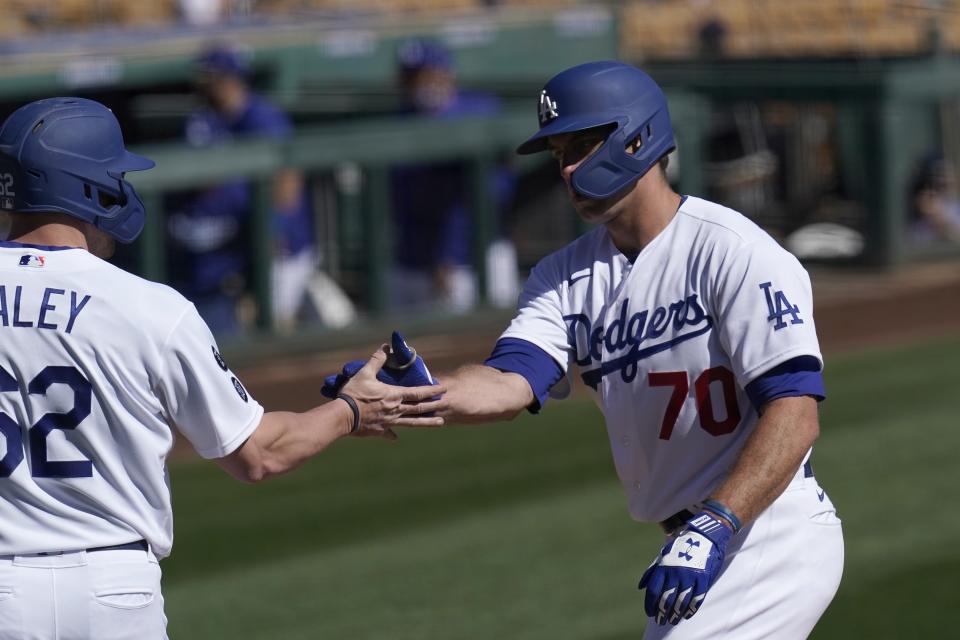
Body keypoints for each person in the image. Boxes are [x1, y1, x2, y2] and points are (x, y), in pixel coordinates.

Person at [332, 61, 844, 638]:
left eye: (580, 145)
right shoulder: (564, 277)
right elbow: (511, 381)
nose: (568, 169)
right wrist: (422, 394)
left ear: (637, 136)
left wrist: (714, 525)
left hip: (765, 532)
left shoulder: (732, 251)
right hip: (703, 541)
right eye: (557, 155)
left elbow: (795, 415)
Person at [0, 97, 442, 639]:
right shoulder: (149, 307)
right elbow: (258, 454)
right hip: (111, 588)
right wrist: (350, 410)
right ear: (88, 186)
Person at [171, 44, 324, 333]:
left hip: (281, 247)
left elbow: (288, 183)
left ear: (230, 78)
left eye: (211, 78)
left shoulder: (262, 118)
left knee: (274, 326)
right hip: (235, 246)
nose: (203, 85)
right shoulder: (207, 119)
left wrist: (272, 231)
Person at [390, 38, 519, 312]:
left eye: (425, 74)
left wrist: (445, 256)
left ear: (446, 73)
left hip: (473, 260)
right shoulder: (400, 120)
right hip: (414, 261)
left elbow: (496, 190)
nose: (419, 84)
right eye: (410, 76)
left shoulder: (480, 111)